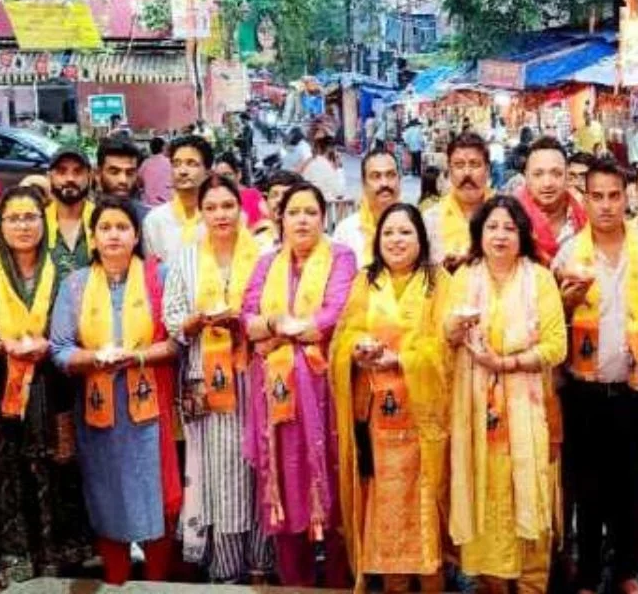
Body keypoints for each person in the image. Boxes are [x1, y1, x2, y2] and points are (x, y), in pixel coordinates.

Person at [0, 187, 91, 586]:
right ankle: (10, 559)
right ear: (0, 225)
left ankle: (59, 556)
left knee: (58, 470)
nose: (23, 226)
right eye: (13, 218)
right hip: (1, 399)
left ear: (42, 222)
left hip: (55, 393)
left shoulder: (66, 271)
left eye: (30, 217)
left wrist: (58, 346)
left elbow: (86, 331)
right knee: (5, 475)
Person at [552, 159, 638, 594]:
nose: (605, 206)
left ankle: (625, 569)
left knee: (627, 484)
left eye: (614, 196)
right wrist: (566, 305)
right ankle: (586, 573)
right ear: (584, 199)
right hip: (583, 390)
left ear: (627, 198)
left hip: (632, 387)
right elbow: (552, 326)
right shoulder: (568, 252)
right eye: (597, 196)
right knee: (587, 487)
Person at [48, 197, 182, 585]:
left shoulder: (159, 277)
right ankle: (117, 581)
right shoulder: (75, 286)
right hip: (98, 415)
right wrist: (94, 359)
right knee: (107, 499)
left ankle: (155, 584)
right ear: (93, 237)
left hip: (150, 409)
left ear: (136, 235)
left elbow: (178, 342)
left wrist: (136, 357)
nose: (113, 235)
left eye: (122, 227)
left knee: (156, 501)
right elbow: (59, 349)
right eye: (104, 228)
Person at [447, 195, 566, 594]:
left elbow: (556, 347)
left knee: (528, 495)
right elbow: (443, 340)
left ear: (523, 236)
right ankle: (491, 583)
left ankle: (531, 585)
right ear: (478, 233)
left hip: (527, 411)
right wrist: (452, 330)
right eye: (492, 227)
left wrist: (505, 364)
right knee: (486, 493)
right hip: (475, 413)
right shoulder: (463, 278)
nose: (500, 235)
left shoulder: (540, 279)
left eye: (509, 228)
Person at [241, 182, 357, 587]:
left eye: (311, 212)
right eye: (294, 212)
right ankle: (296, 581)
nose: (303, 220)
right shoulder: (266, 264)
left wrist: (277, 330)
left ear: (324, 218)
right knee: (285, 482)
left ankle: (341, 581)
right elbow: (249, 318)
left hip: (325, 391)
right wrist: (278, 325)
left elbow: (336, 312)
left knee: (334, 480)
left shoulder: (341, 258)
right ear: (280, 219)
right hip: (276, 394)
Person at [331, 202, 450, 591]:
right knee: (385, 511)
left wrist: (403, 359)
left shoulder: (438, 281)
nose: (396, 241)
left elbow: (446, 347)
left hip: (422, 423)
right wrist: (356, 349)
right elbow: (343, 336)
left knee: (425, 513)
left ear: (421, 238)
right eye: (388, 233)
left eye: (405, 232)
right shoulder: (367, 281)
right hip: (378, 425)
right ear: (377, 240)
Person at [163, 175, 268, 582]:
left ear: (241, 210)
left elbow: (272, 308)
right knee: (220, 475)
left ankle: (261, 563)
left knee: (258, 465)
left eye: (228, 206)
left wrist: (244, 322)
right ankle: (226, 571)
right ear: (201, 213)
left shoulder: (262, 256)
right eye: (212, 208)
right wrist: (195, 322)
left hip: (255, 378)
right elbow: (172, 321)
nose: (221, 215)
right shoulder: (185, 260)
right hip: (207, 382)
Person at [424, 132, 492, 271]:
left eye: (474, 164)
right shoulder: (430, 220)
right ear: (449, 171)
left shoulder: (507, 216)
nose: (467, 173)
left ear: (488, 170)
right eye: (459, 165)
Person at [517, 137, 587, 264]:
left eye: (556, 173)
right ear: (526, 177)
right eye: (538, 174)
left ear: (567, 176)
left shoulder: (586, 218)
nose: (547, 183)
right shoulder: (510, 221)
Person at [143, 135, 212, 264]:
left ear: (208, 172)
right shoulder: (155, 220)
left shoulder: (217, 218)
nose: (182, 171)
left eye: (191, 164)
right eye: (176, 164)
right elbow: (153, 274)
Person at [332, 147, 402, 267]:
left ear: (399, 180)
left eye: (390, 175)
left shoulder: (417, 227)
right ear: (364, 184)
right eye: (376, 176)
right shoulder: (347, 232)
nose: (384, 183)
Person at [46, 148, 96, 273]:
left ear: (89, 177)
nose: (70, 178)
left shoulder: (102, 219)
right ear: (50, 177)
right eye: (62, 172)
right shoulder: (38, 221)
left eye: (78, 172)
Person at [96, 137, 149, 222]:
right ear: (98, 174)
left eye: (130, 173)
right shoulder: (83, 215)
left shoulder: (148, 219)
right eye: (114, 172)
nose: (123, 180)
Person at [213, 152, 266, 230]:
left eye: (227, 174)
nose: (222, 180)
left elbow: (268, 221)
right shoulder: (214, 198)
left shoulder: (253, 195)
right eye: (218, 176)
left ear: (238, 175)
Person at [255, 171, 303, 251]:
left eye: (286, 195)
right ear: (266, 202)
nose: (279, 200)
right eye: (274, 195)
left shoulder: (318, 242)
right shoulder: (255, 246)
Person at [302, 136, 345, 204]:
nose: (337, 153)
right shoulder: (327, 167)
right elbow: (340, 192)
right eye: (336, 150)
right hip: (326, 204)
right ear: (331, 150)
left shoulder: (311, 164)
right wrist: (339, 169)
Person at [139, 137, 173, 207]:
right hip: (166, 204)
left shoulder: (145, 163)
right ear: (163, 148)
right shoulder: (170, 163)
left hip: (148, 204)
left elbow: (139, 182)